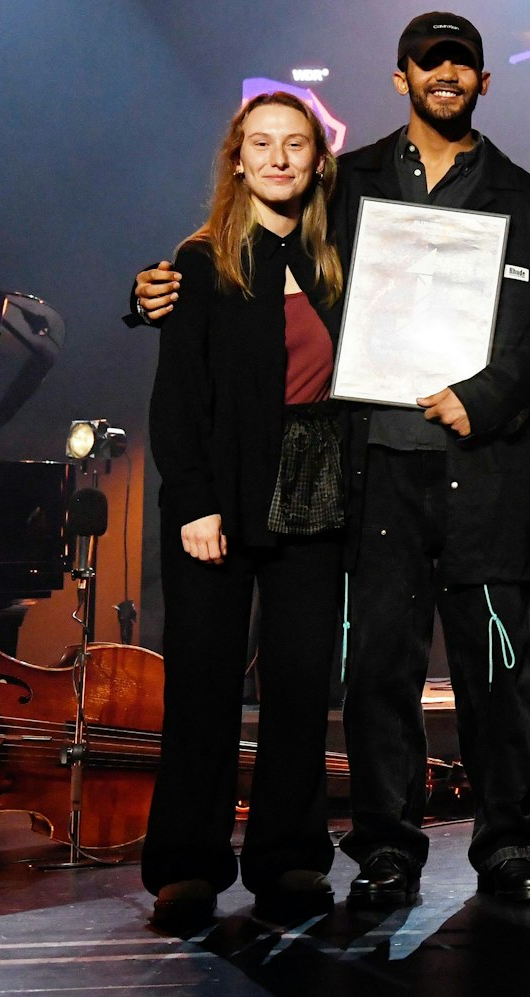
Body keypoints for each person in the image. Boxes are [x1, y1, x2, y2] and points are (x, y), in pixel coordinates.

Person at [135, 13, 530, 906]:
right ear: (401, 75)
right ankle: (289, 855)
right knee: (315, 678)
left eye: (462, 64)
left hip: (418, 472)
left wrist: (481, 398)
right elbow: (207, 321)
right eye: (429, 61)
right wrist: (151, 290)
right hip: (313, 477)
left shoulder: (502, 199)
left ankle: (408, 848)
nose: (282, 160)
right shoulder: (324, 199)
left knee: (381, 679)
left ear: (485, 81)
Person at [144, 92, 346, 921]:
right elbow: (177, 396)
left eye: (295, 145)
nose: (278, 158)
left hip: (317, 490)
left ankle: (290, 856)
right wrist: (194, 500)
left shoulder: (339, 260)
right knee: (204, 682)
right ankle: (188, 864)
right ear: (237, 159)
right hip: (219, 498)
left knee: (302, 682)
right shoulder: (199, 262)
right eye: (261, 144)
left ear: (316, 160)